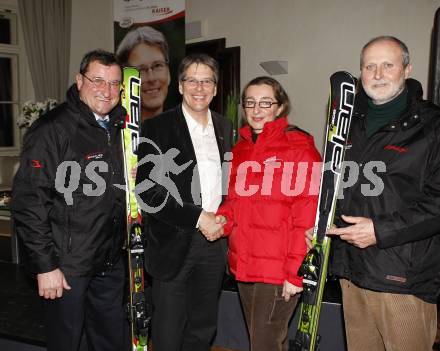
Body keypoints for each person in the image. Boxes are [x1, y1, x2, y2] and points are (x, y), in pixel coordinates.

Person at [315, 36, 440, 351]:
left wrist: (380, 231)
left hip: (403, 281)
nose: (378, 74)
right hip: (352, 274)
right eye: (369, 66)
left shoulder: (432, 125)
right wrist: (319, 228)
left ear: (407, 69)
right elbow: (336, 188)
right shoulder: (347, 123)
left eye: (388, 64)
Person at [11, 50, 127, 351]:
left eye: (115, 84)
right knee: (67, 343)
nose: (107, 90)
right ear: (79, 81)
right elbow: (29, 203)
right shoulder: (52, 130)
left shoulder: (121, 127)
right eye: (98, 80)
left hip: (109, 260)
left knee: (110, 341)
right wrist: (45, 266)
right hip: (66, 267)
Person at [215, 76, 321, 351]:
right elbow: (234, 202)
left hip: (278, 270)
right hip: (245, 265)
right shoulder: (240, 148)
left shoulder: (299, 147)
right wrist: (221, 220)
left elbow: (307, 216)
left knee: (264, 343)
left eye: (265, 102)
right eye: (250, 102)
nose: (256, 109)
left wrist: (296, 273)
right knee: (266, 341)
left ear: (280, 106)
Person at [135, 53, 232, 351]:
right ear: (180, 85)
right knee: (168, 330)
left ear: (215, 88)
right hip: (172, 243)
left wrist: (224, 218)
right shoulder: (155, 128)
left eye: (207, 81)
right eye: (192, 80)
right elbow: (147, 192)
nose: (199, 87)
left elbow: (228, 185)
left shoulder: (225, 127)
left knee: (203, 326)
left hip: (214, 244)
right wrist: (197, 217)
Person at [116, 26, 171, 121]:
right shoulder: (113, 133)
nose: (151, 78)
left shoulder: (184, 131)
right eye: (141, 70)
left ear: (169, 74)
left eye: (157, 66)